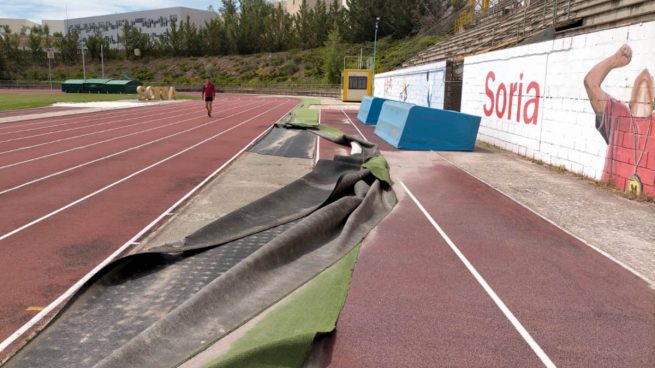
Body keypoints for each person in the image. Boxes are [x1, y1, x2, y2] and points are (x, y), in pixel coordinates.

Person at [584, 44, 654, 197]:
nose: (646, 73)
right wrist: (614, 60)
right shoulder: (618, 113)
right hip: (608, 200)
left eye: (651, 79)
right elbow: (591, 83)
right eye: (638, 80)